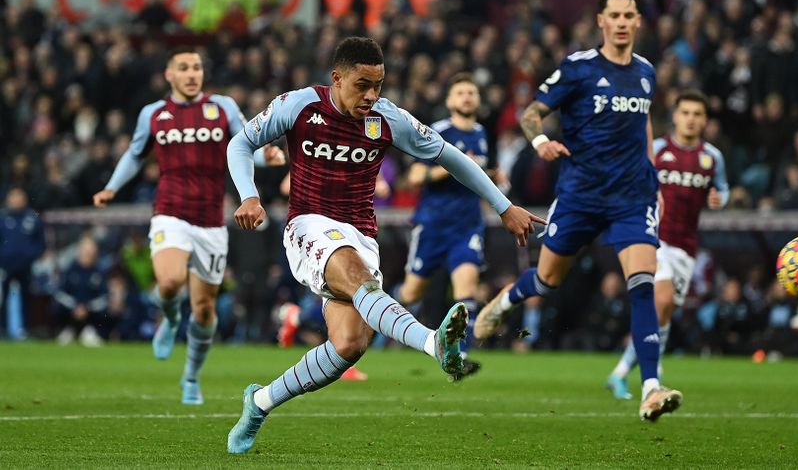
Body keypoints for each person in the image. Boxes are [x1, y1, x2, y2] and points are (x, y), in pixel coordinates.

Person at [225, 36, 543, 454]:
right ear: (337, 79)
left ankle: (260, 401)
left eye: (378, 85)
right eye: (362, 85)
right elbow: (240, 143)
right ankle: (434, 343)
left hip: (360, 234)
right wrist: (249, 194)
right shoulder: (298, 105)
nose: (371, 95)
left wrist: (503, 206)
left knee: (349, 346)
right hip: (308, 225)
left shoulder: (387, 119)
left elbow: (453, 158)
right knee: (359, 281)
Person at [472, 0, 683, 421]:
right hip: (581, 194)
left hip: (631, 195)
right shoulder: (578, 68)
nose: (623, 23)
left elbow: (642, 126)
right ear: (601, 21)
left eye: (630, 15)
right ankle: (504, 301)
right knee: (547, 281)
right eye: (616, 16)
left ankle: (650, 386)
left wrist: (652, 175)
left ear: (638, 22)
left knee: (642, 283)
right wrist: (543, 140)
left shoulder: (646, 71)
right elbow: (532, 114)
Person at [93, 47, 285, 405]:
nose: (192, 73)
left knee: (204, 310)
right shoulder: (153, 114)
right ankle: (169, 316)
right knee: (168, 282)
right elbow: (136, 155)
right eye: (184, 68)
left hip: (211, 220)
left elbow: (247, 143)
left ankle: (191, 377)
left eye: (197, 67)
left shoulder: (223, 107)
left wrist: (266, 154)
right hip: (169, 211)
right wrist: (111, 187)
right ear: (169, 75)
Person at [605, 90, 729, 399]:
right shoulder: (657, 149)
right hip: (651, 238)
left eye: (697, 114)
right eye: (685, 112)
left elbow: (723, 189)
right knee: (659, 301)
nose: (690, 119)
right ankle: (653, 376)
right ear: (675, 116)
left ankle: (620, 373)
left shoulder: (712, 157)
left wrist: (719, 199)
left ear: (705, 121)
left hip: (686, 248)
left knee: (663, 313)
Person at [398, 72, 490, 381]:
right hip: (433, 225)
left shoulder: (481, 133)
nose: (467, 97)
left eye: (471, 92)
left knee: (466, 291)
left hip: (467, 225)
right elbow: (413, 177)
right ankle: (367, 336)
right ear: (449, 101)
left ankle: (458, 358)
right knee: (410, 292)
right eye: (461, 92)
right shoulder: (436, 132)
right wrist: (455, 165)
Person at [0, 187, 45, 340]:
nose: (16, 200)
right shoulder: (2, 218)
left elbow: (40, 242)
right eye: (13, 196)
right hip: (5, 266)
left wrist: (31, 256)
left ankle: (26, 329)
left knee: (28, 298)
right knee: (2, 298)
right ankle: (3, 329)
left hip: (27, 266)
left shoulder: (32, 217)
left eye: (19, 196)